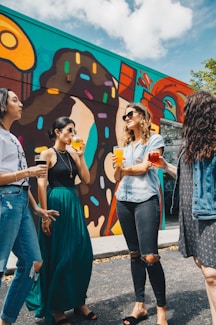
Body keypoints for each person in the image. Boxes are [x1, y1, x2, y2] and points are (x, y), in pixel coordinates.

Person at [152, 91, 216, 325]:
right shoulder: (188, 144)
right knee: (204, 268)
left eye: (188, 109)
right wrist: (165, 165)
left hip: (211, 213)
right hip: (190, 214)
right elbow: (189, 178)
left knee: (211, 274)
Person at [26, 116, 97, 325]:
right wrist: (44, 215)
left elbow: (86, 179)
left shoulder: (74, 153)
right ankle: (57, 307)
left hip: (73, 204)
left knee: (81, 254)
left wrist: (82, 156)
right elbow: (40, 185)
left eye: (74, 130)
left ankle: (78, 301)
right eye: (69, 130)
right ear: (57, 132)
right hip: (55, 205)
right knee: (59, 257)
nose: (73, 134)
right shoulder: (45, 154)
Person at [0, 88, 59, 325]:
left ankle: (6, 320)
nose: (21, 104)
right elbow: (16, 176)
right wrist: (29, 172)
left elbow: (23, 182)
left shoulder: (11, 136)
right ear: (3, 105)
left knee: (34, 263)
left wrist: (36, 208)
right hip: (6, 201)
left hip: (21, 202)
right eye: (15, 100)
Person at [113, 103, 168, 325]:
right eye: (124, 116)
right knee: (135, 254)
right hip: (123, 201)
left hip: (146, 199)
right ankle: (140, 306)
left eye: (130, 114)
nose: (126, 118)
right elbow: (117, 176)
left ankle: (162, 309)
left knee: (150, 256)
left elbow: (146, 167)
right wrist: (119, 167)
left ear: (143, 116)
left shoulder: (155, 140)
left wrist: (124, 169)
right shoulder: (124, 145)